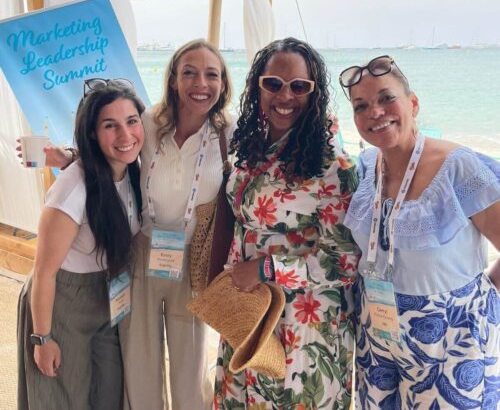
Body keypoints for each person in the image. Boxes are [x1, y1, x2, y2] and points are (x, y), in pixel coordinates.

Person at [41, 40, 234, 409]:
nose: (201, 83)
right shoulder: (149, 122)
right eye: (189, 72)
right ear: (173, 79)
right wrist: (69, 155)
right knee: (138, 361)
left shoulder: (231, 132)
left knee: (190, 367)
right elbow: (115, 145)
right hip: (142, 251)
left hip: (196, 257)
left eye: (212, 74)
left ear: (223, 84)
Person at [340, 55, 500, 409]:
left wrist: (476, 303)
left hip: (449, 336)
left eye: (386, 98)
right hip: (376, 330)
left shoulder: (458, 166)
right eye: (361, 105)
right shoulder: (367, 167)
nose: (375, 112)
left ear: (413, 103)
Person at [214, 38, 360, 409]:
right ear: (257, 87)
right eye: (273, 84)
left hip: (302, 320)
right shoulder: (249, 146)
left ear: (314, 94)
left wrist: (265, 269)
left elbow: (343, 263)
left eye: (299, 86)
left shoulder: (332, 166)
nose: (285, 96)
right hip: (248, 309)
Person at [17, 79, 145, 410]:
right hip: (62, 300)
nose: (125, 135)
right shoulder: (73, 189)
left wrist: (67, 156)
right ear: (92, 133)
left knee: (109, 391)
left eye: (131, 121)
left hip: (108, 297)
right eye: (110, 125)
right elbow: (44, 273)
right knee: (64, 395)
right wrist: (42, 339)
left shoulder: (135, 171)